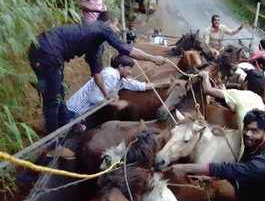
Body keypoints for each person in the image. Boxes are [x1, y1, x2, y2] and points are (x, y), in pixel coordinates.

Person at [28, 12, 166, 133]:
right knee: (53, 98)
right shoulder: (103, 27)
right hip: (48, 50)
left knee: (58, 93)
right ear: (107, 23)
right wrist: (153, 58)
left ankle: (63, 128)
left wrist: (107, 95)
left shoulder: (93, 43)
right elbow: (127, 49)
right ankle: (53, 143)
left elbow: (97, 75)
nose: (118, 29)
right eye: (116, 25)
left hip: (43, 50)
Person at [169, 109, 265, 201]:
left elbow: (232, 169)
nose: (248, 134)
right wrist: (211, 178)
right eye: (246, 129)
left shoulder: (264, 163)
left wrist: (185, 167)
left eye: (255, 131)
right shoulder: (252, 147)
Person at [66, 55, 169, 118]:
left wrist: (161, 84)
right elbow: (93, 97)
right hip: (74, 110)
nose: (130, 72)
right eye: (129, 68)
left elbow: (140, 86)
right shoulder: (111, 75)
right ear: (120, 67)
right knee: (60, 137)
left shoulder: (120, 78)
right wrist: (116, 103)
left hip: (82, 112)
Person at [199, 71, 265, 129]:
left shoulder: (236, 94)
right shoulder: (259, 99)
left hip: (244, 139)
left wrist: (205, 76)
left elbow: (207, 90)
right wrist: (224, 92)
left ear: (246, 82)